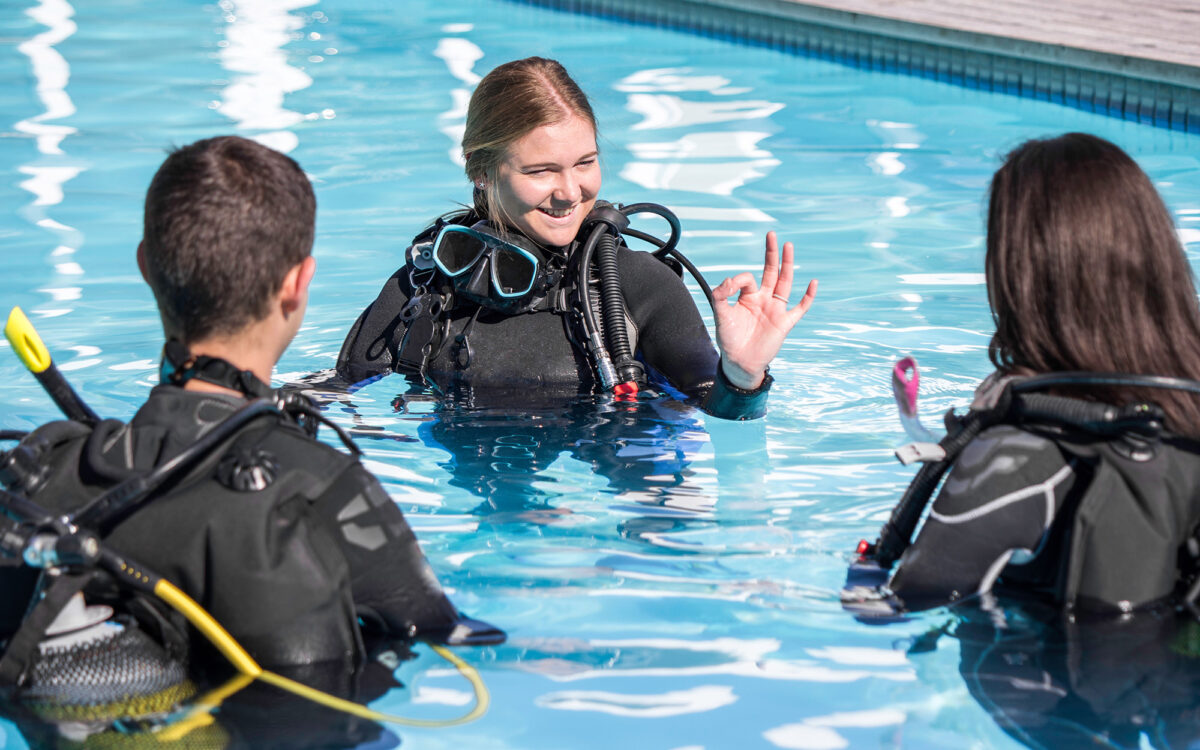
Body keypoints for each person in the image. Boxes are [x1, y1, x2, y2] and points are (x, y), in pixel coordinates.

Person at [0, 136, 501, 691]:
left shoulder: (45, 472)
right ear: (297, 285)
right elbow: (446, 639)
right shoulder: (324, 491)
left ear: (146, 266)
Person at [335, 57, 817, 420]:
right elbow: (337, 396)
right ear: (481, 171)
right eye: (542, 170)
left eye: (585, 163)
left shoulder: (634, 287)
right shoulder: (425, 285)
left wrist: (743, 374)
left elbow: (720, 415)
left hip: (624, 479)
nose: (570, 193)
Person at [849, 132, 1200, 614]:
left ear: (1019, 279)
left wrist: (859, 571)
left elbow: (894, 607)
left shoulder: (1017, 458)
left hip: (1060, 682)